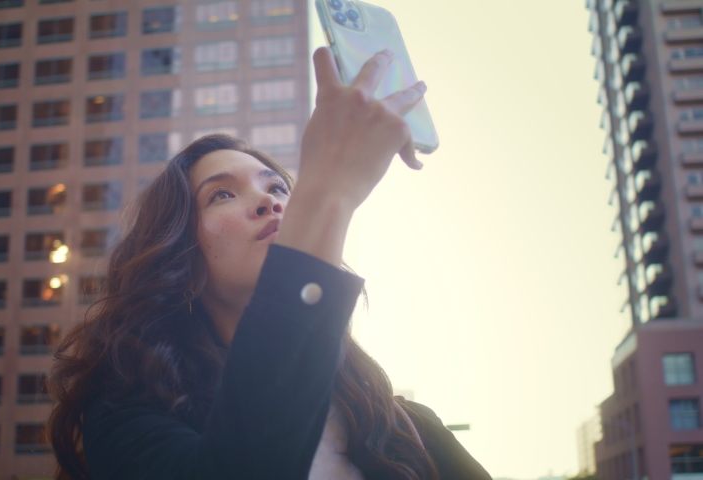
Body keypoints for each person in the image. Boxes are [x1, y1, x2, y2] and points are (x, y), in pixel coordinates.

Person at [47, 47, 492, 480]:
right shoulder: (122, 414)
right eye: (221, 194)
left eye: (279, 188)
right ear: (176, 253)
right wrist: (328, 193)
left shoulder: (409, 430)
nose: (269, 202)